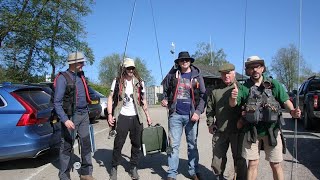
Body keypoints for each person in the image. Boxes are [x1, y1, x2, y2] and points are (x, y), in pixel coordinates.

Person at [229, 56, 301, 180]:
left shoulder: (274, 84)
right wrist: (233, 97)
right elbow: (233, 104)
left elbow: (285, 101)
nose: (255, 70)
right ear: (248, 70)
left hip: (272, 130)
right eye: (251, 68)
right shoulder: (243, 87)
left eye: (257, 67)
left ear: (262, 68)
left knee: (276, 164)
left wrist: (293, 111)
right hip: (251, 131)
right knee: (252, 164)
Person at [161, 51, 207, 180]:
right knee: (173, 145)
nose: (184, 62)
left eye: (186, 60)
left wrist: (198, 112)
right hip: (175, 115)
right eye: (182, 60)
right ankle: (171, 173)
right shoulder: (172, 75)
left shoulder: (197, 75)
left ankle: (193, 171)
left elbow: (204, 95)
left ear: (190, 61)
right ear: (178, 62)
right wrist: (164, 99)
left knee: (192, 145)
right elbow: (165, 90)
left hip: (191, 116)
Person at [107, 57, 152, 180]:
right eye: (128, 68)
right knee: (118, 144)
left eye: (132, 68)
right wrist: (110, 114)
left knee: (137, 144)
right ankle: (114, 167)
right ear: (124, 69)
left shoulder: (140, 82)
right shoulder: (117, 81)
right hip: (122, 116)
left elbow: (143, 100)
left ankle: (133, 167)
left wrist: (147, 116)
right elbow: (110, 97)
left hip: (136, 116)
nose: (131, 70)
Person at [54, 52, 95, 180]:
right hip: (71, 116)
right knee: (66, 146)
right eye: (80, 62)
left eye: (83, 62)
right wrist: (65, 120)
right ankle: (64, 175)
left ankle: (86, 173)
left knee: (86, 144)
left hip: (84, 114)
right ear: (72, 63)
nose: (83, 64)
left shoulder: (81, 75)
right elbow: (57, 102)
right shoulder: (63, 78)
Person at [206, 63, 247, 180]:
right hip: (220, 131)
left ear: (234, 73)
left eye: (229, 73)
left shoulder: (242, 89)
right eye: (223, 74)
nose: (226, 76)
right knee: (217, 159)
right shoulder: (215, 91)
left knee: (240, 159)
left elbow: (248, 109)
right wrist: (210, 123)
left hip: (238, 131)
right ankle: (219, 177)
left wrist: (242, 120)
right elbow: (210, 109)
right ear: (220, 75)